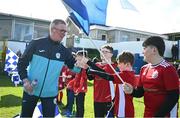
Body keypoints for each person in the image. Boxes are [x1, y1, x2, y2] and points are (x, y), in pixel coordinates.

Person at [17, 19, 81, 117]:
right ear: (53, 29)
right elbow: (22, 63)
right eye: (62, 31)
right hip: (31, 89)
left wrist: (80, 65)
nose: (64, 33)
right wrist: (25, 81)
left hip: (50, 94)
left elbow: (74, 67)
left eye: (65, 31)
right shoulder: (36, 43)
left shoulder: (64, 51)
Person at [123, 36, 179, 117]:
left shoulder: (168, 69)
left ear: (154, 50)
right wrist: (131, 91)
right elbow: (140, 92)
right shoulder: (144, 68)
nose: (143, 52)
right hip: (148, 114)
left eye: (145, 48)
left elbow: (173, 97)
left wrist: (158, 116)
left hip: (164, 115)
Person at [85, 51, 136, 117]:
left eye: (119, 63)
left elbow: (108, 77)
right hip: (121, 108)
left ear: (127, 64)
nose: (118, 65)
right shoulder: (127, 74)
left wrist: (93, 71)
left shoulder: (126, 75)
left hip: (124, 110)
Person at [78, 44, 116, 117]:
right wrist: (86, 69)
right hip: (97, 98)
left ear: (111, 54)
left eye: (106, 52)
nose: (103, 53)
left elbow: (103, 72)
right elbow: (91, 78)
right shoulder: (97, 64)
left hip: (108, 99)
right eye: (101, 51)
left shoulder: (113, 66)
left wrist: (89, 62)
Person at [73, 50, 88, 117]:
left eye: (78, 56)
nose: (76, 58)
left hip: (81, 89)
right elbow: (76, 78)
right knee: (78, 105)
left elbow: (83, 79)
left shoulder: (84, 67)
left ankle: (80, 116)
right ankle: (78, 116)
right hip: (77, 88)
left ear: (82, 57)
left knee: (80, 105)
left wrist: (78, 90)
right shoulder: (79, 66)